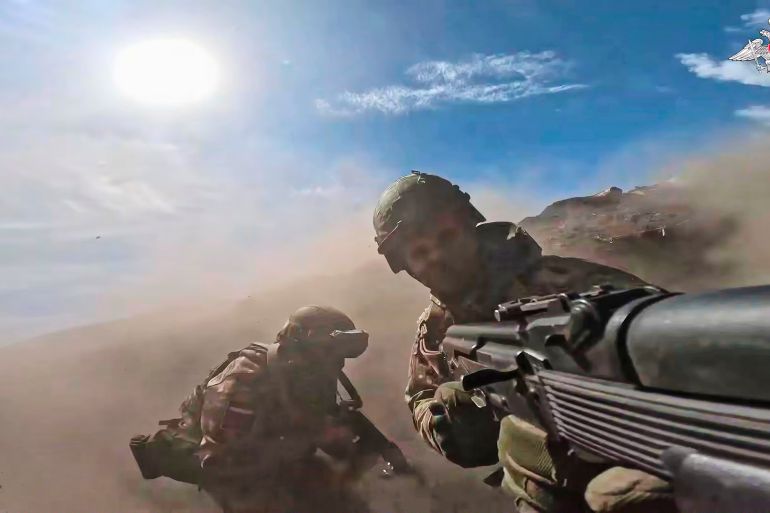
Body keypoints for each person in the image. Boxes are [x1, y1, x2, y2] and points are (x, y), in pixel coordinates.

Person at [372, 171, 677, 513]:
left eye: (447, 236)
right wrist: (444, 423)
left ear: (470, 226)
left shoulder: (564, 281)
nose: (438, 256)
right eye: (420, 252)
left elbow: (670, 331)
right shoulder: (434, 327)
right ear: (408, 267)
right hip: (542, 477)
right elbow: (420, 395)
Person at [131, 305, 408, 513]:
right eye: (329, 353)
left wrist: (383, 451)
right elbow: (222, 460)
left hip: (272, 453)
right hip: (229, 465)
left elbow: (332, 416)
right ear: (302, 348)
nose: (338, 363)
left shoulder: (308, 373)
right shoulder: (245, 379)